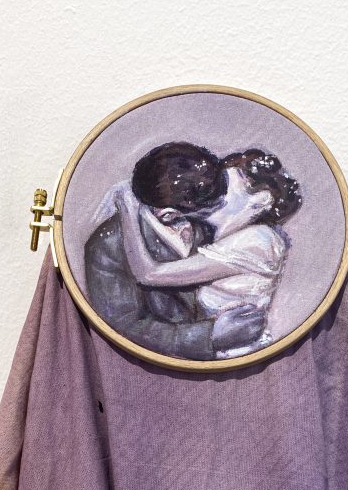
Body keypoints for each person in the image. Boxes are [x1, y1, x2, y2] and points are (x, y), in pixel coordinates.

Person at [84, 143, 267, 360]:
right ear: (169, 214)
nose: (224, 200)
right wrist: (209, 336)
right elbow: (124, 325)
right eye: (215, 205)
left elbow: (151, 274)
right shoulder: (109, 245)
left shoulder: (220, 227)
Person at [114, 149, 302, 358]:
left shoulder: (256, 241)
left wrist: (128, 211)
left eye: (225, 187)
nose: (213, 194)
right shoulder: (226, 236)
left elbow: (149, 274)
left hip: (238, 351)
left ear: (260, 201)